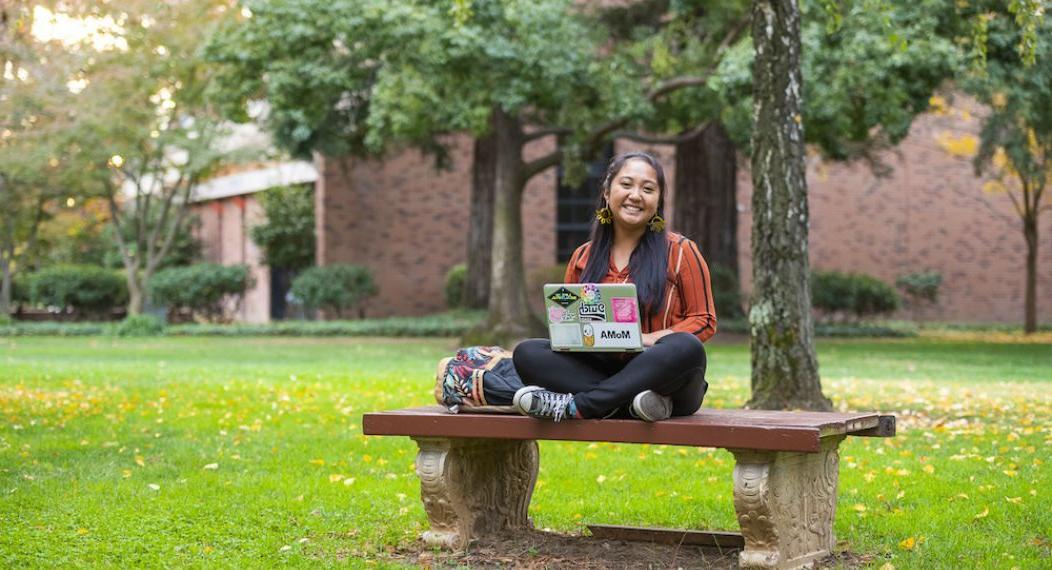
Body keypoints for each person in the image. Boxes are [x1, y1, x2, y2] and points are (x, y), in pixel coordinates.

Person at [512, 151, 716, 422]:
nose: (636, 195)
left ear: (658, 201)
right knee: (527, 353)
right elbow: (567, 328)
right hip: (603, 370)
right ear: (607, 193)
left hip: (665, 375)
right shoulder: (583, 257)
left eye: (648, 189)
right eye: (627, 184)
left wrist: (652, 338)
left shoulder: (681, 251)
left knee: (686, 347)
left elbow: (704, 320)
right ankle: (630, 404)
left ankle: (582, 405)